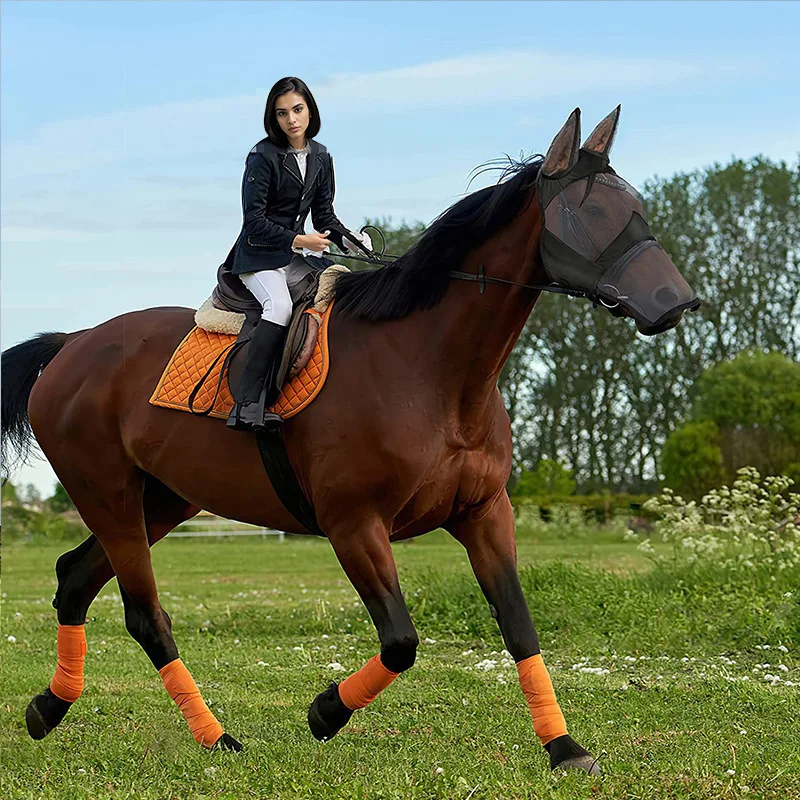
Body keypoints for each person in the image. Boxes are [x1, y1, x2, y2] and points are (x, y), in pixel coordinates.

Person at [224, 76, 371, 432]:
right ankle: (246, 405)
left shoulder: (321, 157)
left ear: (310, 110)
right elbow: (253, 222)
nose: (291, 119)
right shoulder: (262, 157)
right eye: (282, 113)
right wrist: (301, 241)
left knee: (336, 290)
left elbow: (324, 216)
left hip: (292, 257)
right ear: (273, 119)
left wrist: (351, 242)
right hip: (257, 257)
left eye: (298, 110)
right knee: (280, 307)